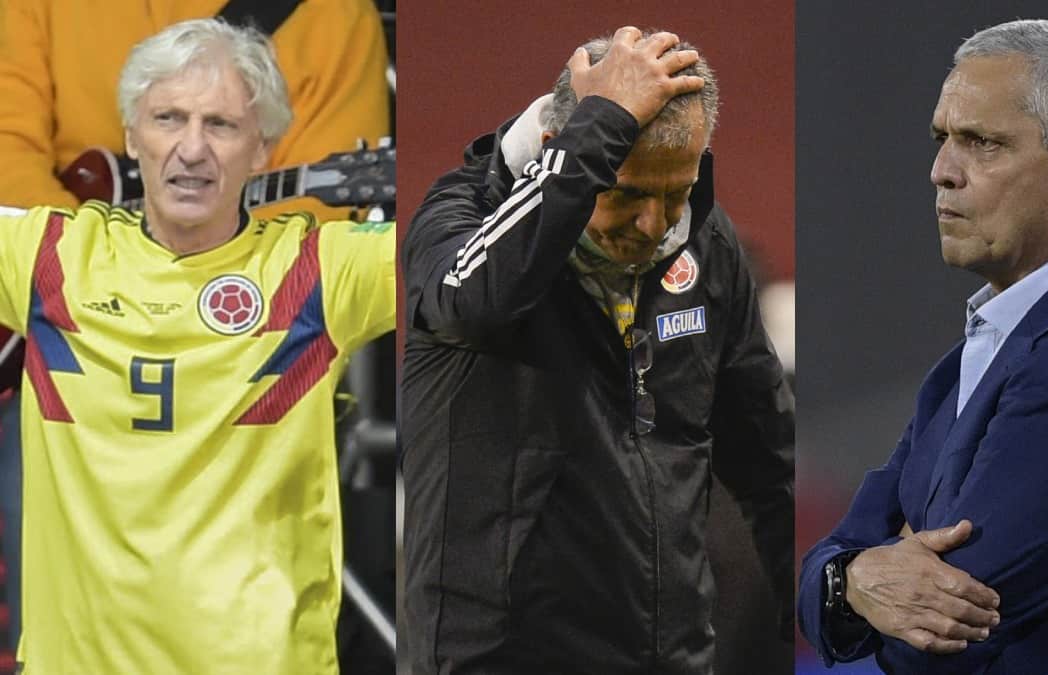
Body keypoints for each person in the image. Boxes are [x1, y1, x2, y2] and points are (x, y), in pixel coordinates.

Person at [797, 19, 1048, 674]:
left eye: (981, 143)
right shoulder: (971, 360)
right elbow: (834, 557)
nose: (941, 172)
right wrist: (857, 578)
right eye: (942, 139)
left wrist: (857, 578)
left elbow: (930, 643)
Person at [0, 19, 395, 673]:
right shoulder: (50, 259)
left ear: (263, 147)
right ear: (131, 135)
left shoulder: (321, 273)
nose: (191, 148)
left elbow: (466, 251)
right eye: (168, 118)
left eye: (221, 125)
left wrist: (542, 138)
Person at [400, 26, 794, 674]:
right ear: (566, 153)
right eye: (627, 193)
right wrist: (601, 124)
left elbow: (769, 460)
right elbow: (477, 300)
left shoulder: (707, 244)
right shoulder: (462, 213)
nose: (654, 223)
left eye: (677, 191)